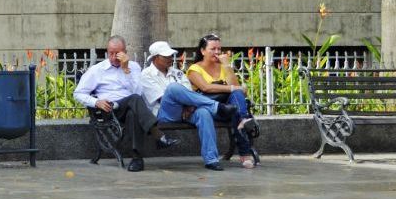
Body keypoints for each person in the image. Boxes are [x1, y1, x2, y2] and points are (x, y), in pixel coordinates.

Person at [73, 36, 178, 172]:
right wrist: (96, 102)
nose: (114, 57)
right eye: (111, 53)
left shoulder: (133, 67)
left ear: (125, 52)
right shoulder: (97, 70)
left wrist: (126, 70)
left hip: (131, 107)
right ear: (107, 52)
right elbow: (78, 93)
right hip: (108, 110)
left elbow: (139, 93)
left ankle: (137, 159)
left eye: (117, 53)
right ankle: (158, 135)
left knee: (133, 112)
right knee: (134, 100)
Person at [139, 40, 237, 170]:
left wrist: (189, 106)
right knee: (173, 89)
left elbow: (190, 95)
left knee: (204, 113)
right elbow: (162, 99)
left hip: (187, 111)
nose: (170, 59)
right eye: (166, 56)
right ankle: (216, 106)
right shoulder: (146, 75)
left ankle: (211, 160)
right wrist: (186, 104)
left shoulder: (177, 72)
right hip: (164, 113)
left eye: (170, 56)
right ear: (155, 58)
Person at [186, 33, 260, 168]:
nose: (217, 52)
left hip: (229, 109)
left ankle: (243, 120)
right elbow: (206, 88)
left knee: (236, 106)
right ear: (203, 51)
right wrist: (232, 88)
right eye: (213, 49)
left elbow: (235, 86)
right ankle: (245, 153)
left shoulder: (222, 66)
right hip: (210, 108)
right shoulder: (194, 69)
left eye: (219, 49)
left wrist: (227, 66)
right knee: (236, 98)